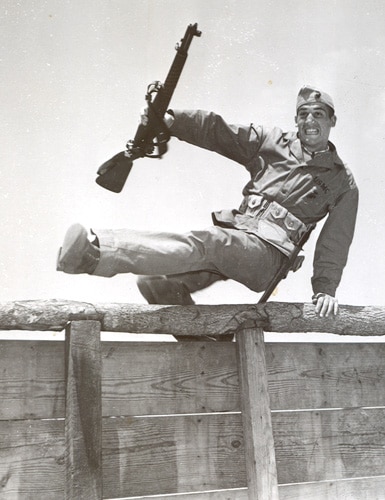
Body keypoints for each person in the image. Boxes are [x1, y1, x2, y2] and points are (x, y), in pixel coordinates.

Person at [57, 85, 358, 332]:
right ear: (296, 120)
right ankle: (199, 344)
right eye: (303, 114)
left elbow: (335, 244)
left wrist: (325, 290)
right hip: (239, 236)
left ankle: (96, 252)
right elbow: (219, 132)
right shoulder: (272, 141)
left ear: (333, 121)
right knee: (156, 283)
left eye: (318, 115)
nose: (310, 121)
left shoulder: (342, 180)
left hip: (268, 257)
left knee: (208, 244)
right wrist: (172, 121)